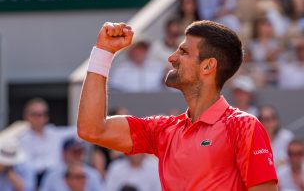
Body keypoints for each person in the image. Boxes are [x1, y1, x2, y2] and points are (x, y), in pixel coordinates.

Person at [77, 21, 278, 190]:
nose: (171, 58)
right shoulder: (164, 130)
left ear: (208, 66)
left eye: (183, 51)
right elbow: (92, 129)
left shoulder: (243, 126)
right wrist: (103, 52)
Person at [19, 97, 75, 188]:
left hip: (58, 180)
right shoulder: (21, 139)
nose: (40, 118)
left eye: (43, 114)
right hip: (34, 182)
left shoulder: (54, 133)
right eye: (35, 114)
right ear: (27, 116)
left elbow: (78, 132)